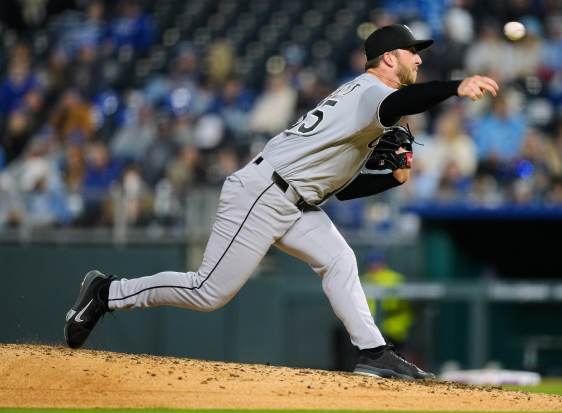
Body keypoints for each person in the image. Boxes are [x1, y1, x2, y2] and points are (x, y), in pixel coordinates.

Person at [64, 24, 499, 380]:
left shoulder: (364, 101)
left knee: (339, 260)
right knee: (208, 291)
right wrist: (457, 87)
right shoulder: (373, 95)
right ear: (388, 59)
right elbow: (405, 100)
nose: (419, 58)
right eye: (411, 52)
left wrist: (390, 179)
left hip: (293, 198)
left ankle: (374, 352)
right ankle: (107, 292)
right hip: (263, 193)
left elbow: (344, 189)